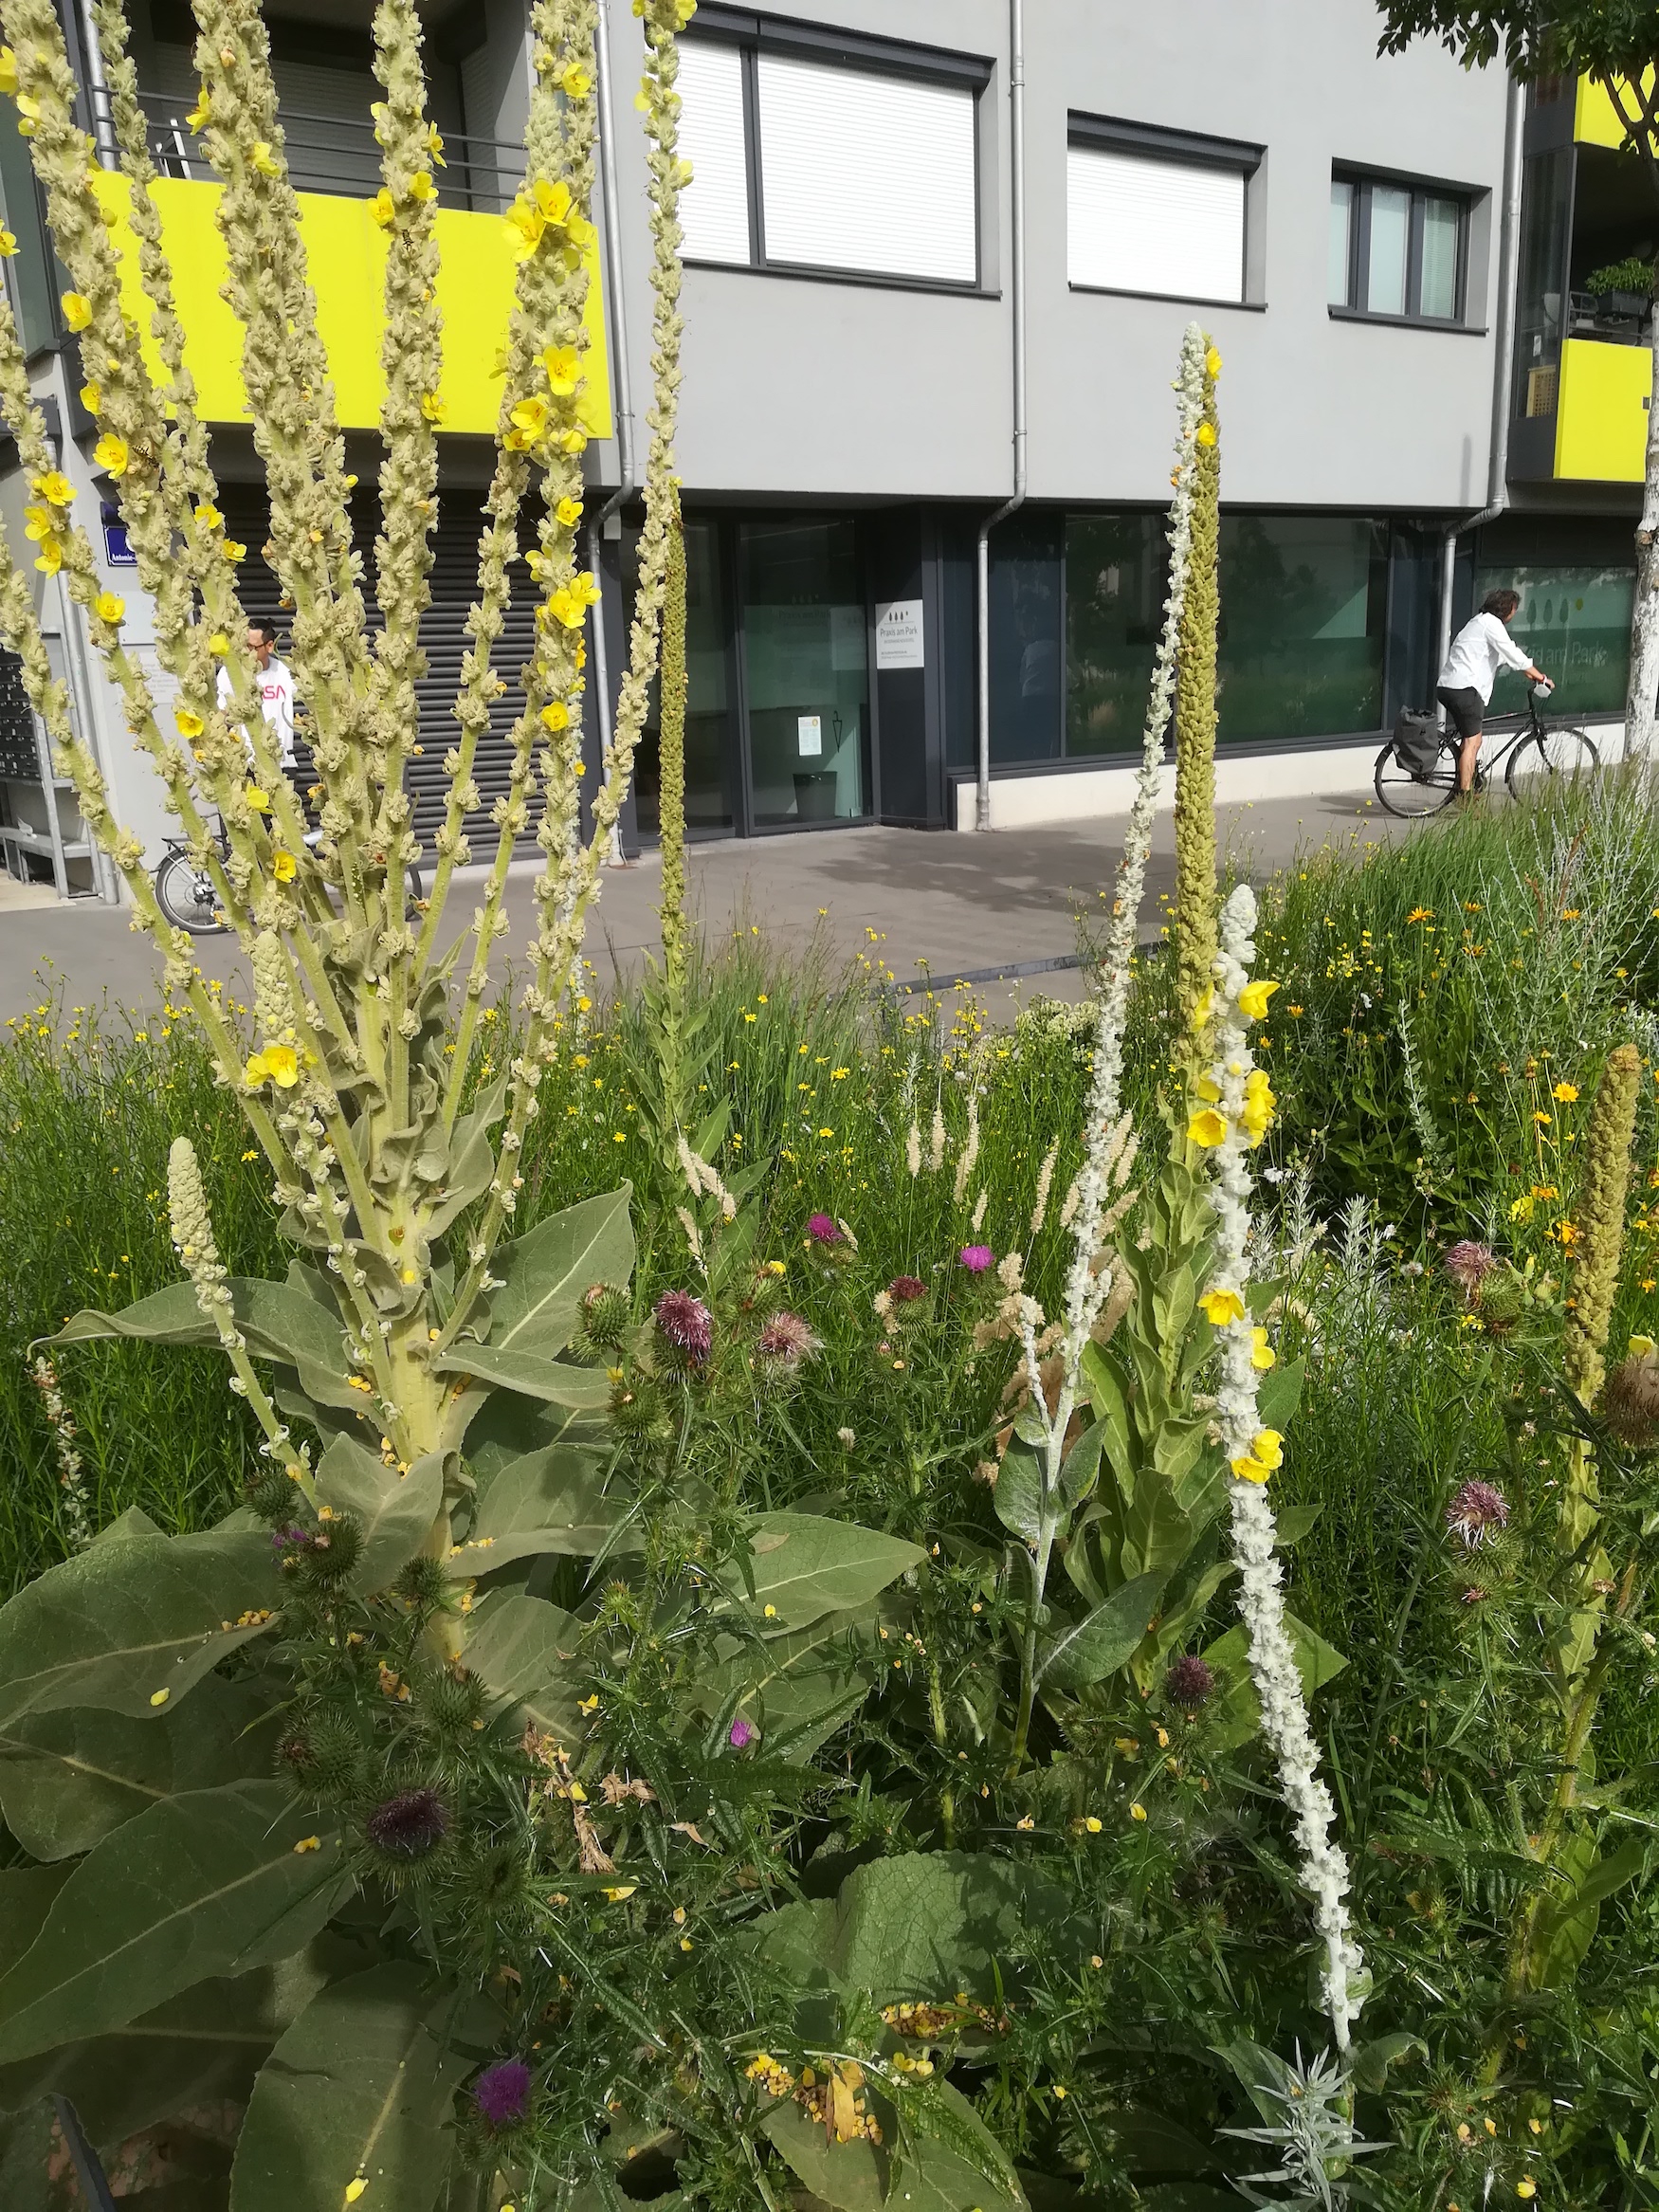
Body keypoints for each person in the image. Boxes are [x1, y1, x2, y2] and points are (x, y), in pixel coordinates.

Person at [1436, 588, 1552, 796]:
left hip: (1449, 686)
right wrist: (1541, 677)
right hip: (1465, 689)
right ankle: (1465, 798)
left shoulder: (1478, 622)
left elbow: (1500, 655)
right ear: (1507, 608)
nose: (1514, 613)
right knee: (1473, 742)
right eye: (1514, 609)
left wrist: (1526, 671)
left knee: (1470, 740)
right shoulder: (1491, 623)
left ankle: (1465, 782)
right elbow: (1511, 652)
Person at [216, 621, 296, 770]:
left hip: (282, 762)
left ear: (270, 646)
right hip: (245, 763)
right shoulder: (229, 674)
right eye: (245, 645)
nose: (247, 651)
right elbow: (222, 714)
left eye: (252, 647)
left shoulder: (284, 671)